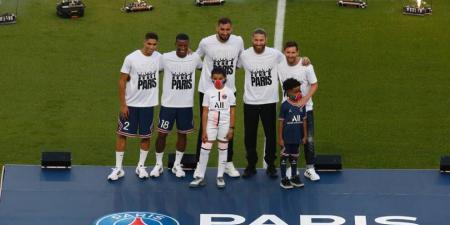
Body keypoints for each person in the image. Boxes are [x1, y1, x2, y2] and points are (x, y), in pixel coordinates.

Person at [108, 32, 161, 181]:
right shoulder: (131, 58)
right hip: (131, 105)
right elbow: (121, 81)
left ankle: (141, 166)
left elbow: (174, 60)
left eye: (154, 44)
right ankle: (118, 168)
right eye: (149, 44)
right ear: (144, 42)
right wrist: (123, 104)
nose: (151, 47)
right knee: (122, 134)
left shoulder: (159, 57)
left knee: (146, 136)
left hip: (148, 105)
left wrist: (188, 51)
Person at [195, 17, 244, 178]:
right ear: (217, 28)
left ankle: (228, 163)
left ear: (232, 28)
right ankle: (198, 165)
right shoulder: (206, 42)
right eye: (222, 29)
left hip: (229, 91)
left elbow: (240, 62)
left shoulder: (238, 42)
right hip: (207, 91)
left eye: (228, 29)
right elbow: (196, 60)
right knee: (205, 127)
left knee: (228, 127)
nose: (225, 33)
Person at [149, 33, 202, 178]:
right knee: (162, 134)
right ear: (175, 44)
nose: (183, 48)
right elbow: (154, 69)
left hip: (186, 106)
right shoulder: (165, 57)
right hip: (168, 105)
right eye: (180, 45)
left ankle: (177, 165)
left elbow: (204, 69)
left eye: (185, 45)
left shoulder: (195, 57)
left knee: (182, 135)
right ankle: (158, 164)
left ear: (188, 45)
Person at [238, 28, 284, 179]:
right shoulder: (244, 55)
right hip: (250, 101)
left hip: (269, 101)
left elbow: (290, 62)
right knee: (249, 135)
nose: (259, 43)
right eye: (256, 40)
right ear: (252, 39)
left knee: (270, 135)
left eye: (261, 40)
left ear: (266, 40)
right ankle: (251, 165)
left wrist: (304, 60)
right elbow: (233, 65)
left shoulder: (275, 54)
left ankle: (271, 165)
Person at [278, 41, 320, 181]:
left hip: (306, 109)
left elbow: (314, 85)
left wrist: (304, 99)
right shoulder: (279, 63)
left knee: (308, 138)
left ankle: (310, 168)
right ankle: (291, 168)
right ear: (284, 52)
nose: (290, 55)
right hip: (288, 110)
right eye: (288, 52)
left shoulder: (306, 65)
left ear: (298, 52)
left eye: (293, 52)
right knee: (289, 140)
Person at [190, 67, 236, 188]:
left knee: (223, 149)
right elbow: (204, 112)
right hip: (211, 124)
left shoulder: (230, 92)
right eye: (215, 78)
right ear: (211, 79)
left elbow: (232, 112)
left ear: (225, 78)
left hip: (224, 124)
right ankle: (200, 176)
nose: (218, 81)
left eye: (220, 78)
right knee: (205, 149)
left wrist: (231, 128)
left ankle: (220, 176)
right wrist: (204, 130)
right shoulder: (208, 93)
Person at [278, 78, 307, 189]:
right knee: (284, 157)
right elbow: (280, 123)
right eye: (295, 92)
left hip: (297, 138)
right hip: (287, 138)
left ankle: (294, 177)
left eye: (299, 91)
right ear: (288, 92)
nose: (298, 93)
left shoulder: (302, 105)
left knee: (294, 158)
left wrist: (304, 136)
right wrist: (280, 138)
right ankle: (284, 179)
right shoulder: (285, 106)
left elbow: (304, 121)